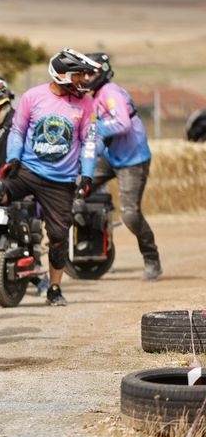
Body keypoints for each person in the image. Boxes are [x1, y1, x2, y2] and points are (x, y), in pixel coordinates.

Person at [0, 48, 100, 306]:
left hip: (61, 181)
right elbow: (17, 131)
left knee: (58, 237)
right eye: (78, 75)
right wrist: (12, 159)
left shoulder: (86, 103)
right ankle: (1, 244)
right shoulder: (32, 96)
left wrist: (87, 175)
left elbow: (89, 142)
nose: (83, 80)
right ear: (61, 75)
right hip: (27, 172)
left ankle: (54, 288)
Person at [83, 52, 162, 281]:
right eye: (84, 73)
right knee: (78, 187)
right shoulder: (94, 96)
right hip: (111, 156)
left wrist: (93, 132)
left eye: (92, 72)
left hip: (133, 159)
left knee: (130, 215)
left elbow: (122, 123)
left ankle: (151, 258)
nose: (87, 77)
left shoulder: (110, 93)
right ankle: (93, 248)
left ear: (103, 72)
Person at [0, 76, 49, 296]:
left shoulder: (17, 120)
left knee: (28, 225)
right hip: (2, 184)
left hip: (24, 180)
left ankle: (40, 274)